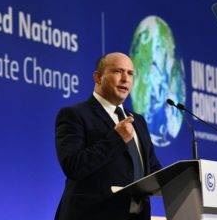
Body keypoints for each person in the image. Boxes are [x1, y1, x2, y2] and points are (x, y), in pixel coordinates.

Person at [54, 52, 162, 220]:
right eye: (118, 71)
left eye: (130, 73)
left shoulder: (138, 121)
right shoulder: (74, 115)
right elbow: (73, 166)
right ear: (98, 77)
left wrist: (182, 180)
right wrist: (116, 138)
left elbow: (152, 169)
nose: (125, 79)